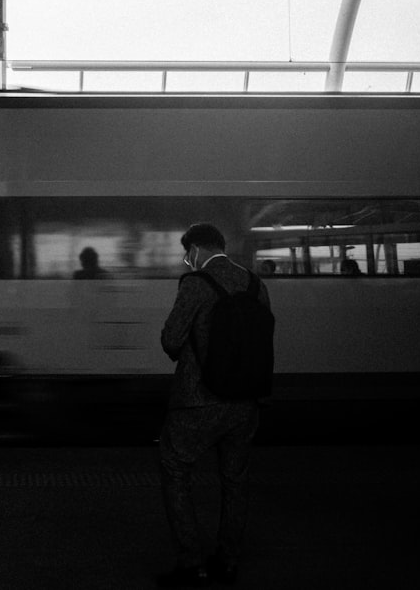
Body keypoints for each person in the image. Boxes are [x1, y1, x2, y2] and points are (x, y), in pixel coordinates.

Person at [156, 223, 271, 588]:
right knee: (235, 481)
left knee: (175, 468)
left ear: (195, 250)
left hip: (198, 402)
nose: (185, 259)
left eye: (186, 252)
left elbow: (172, 340)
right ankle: (228, 562)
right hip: (245, 402)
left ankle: (192, 564)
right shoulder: (255, 284)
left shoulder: (195, 284)